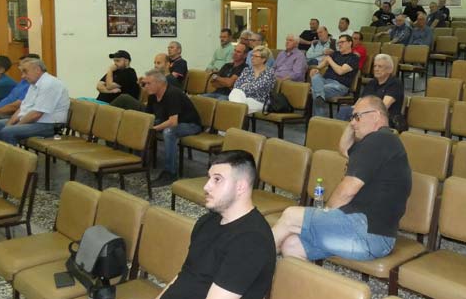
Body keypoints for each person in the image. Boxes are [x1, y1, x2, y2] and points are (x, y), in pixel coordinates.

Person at [272, 96, 412, 261]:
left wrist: (325, 214)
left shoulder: (379, 140)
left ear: (375, 116)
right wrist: (354, 120)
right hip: (372, 237)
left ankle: (251, 265)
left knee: (291, 216)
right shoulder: (379, 144)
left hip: (367, 232)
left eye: (357, 117)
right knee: (292, 245)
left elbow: (347, 190)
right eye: (352, 117)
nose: (353, 122)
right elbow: (344, 148)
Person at [157, 150, 275, 299]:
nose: (206, 187)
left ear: (240, 187)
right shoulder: (207, 221)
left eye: (217, 179)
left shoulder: (251, 241)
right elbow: (184, 276)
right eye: (209, 178)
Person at [0, 58, 70, 145]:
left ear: (37, 70)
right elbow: (22, 108)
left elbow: (36, 114)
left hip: (49, 125)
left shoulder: (50, 84)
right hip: (33, 121)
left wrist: (16, 126)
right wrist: (9, 124)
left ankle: (12, 154)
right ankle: (1, 152)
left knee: (7, 131)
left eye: (25, 72)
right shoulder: (33, 84)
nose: (22, 76)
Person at [143, 69, 202, 184]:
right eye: (145, 83)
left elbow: (173, 122)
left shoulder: (172, 93)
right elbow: (148, 116)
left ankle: (170, 172)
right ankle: (141, 161)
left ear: (160, 83)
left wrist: (153, 129)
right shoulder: (152, 95)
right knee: (146, 125)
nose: (146, 86)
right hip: (169, 121)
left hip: (190, 124)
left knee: (169, 132)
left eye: (149, 83)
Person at [336, 54, 404, 123]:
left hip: (384, 118)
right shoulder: (372, 82)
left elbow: (383, 107)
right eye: (375, 66)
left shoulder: (395, 84)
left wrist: (362, 112)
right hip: (367, 113)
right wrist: (355, 109)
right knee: (345, 110)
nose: (376, 69)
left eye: (380, 66)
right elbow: (359, 102)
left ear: (389, 70)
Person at [310, 35, 360, 116]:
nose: (339, 44)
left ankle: (319, 116)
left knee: (315, 90)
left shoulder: (354, 58)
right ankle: (320, 110)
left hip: (338, 86)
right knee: (315, 77)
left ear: (350, 43)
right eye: (338, 43)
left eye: (342, 42)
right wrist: (316, 69)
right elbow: (322, 64)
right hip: (325, 81)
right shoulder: (335, 54)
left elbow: (340, 71)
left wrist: (329, 60)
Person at [229, 46, 275, 114]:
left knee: (236, 105)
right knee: (235, 92)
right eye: (252, 55)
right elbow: (236, 85)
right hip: (243, 98)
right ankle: (239, 117)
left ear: (263, 59)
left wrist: (245, 85)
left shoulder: (269, 72)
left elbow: (257, 88)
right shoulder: (247, 70)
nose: (252, 58)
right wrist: (249, 85)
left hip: (259, 101)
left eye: (256, 56)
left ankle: (236, 118)